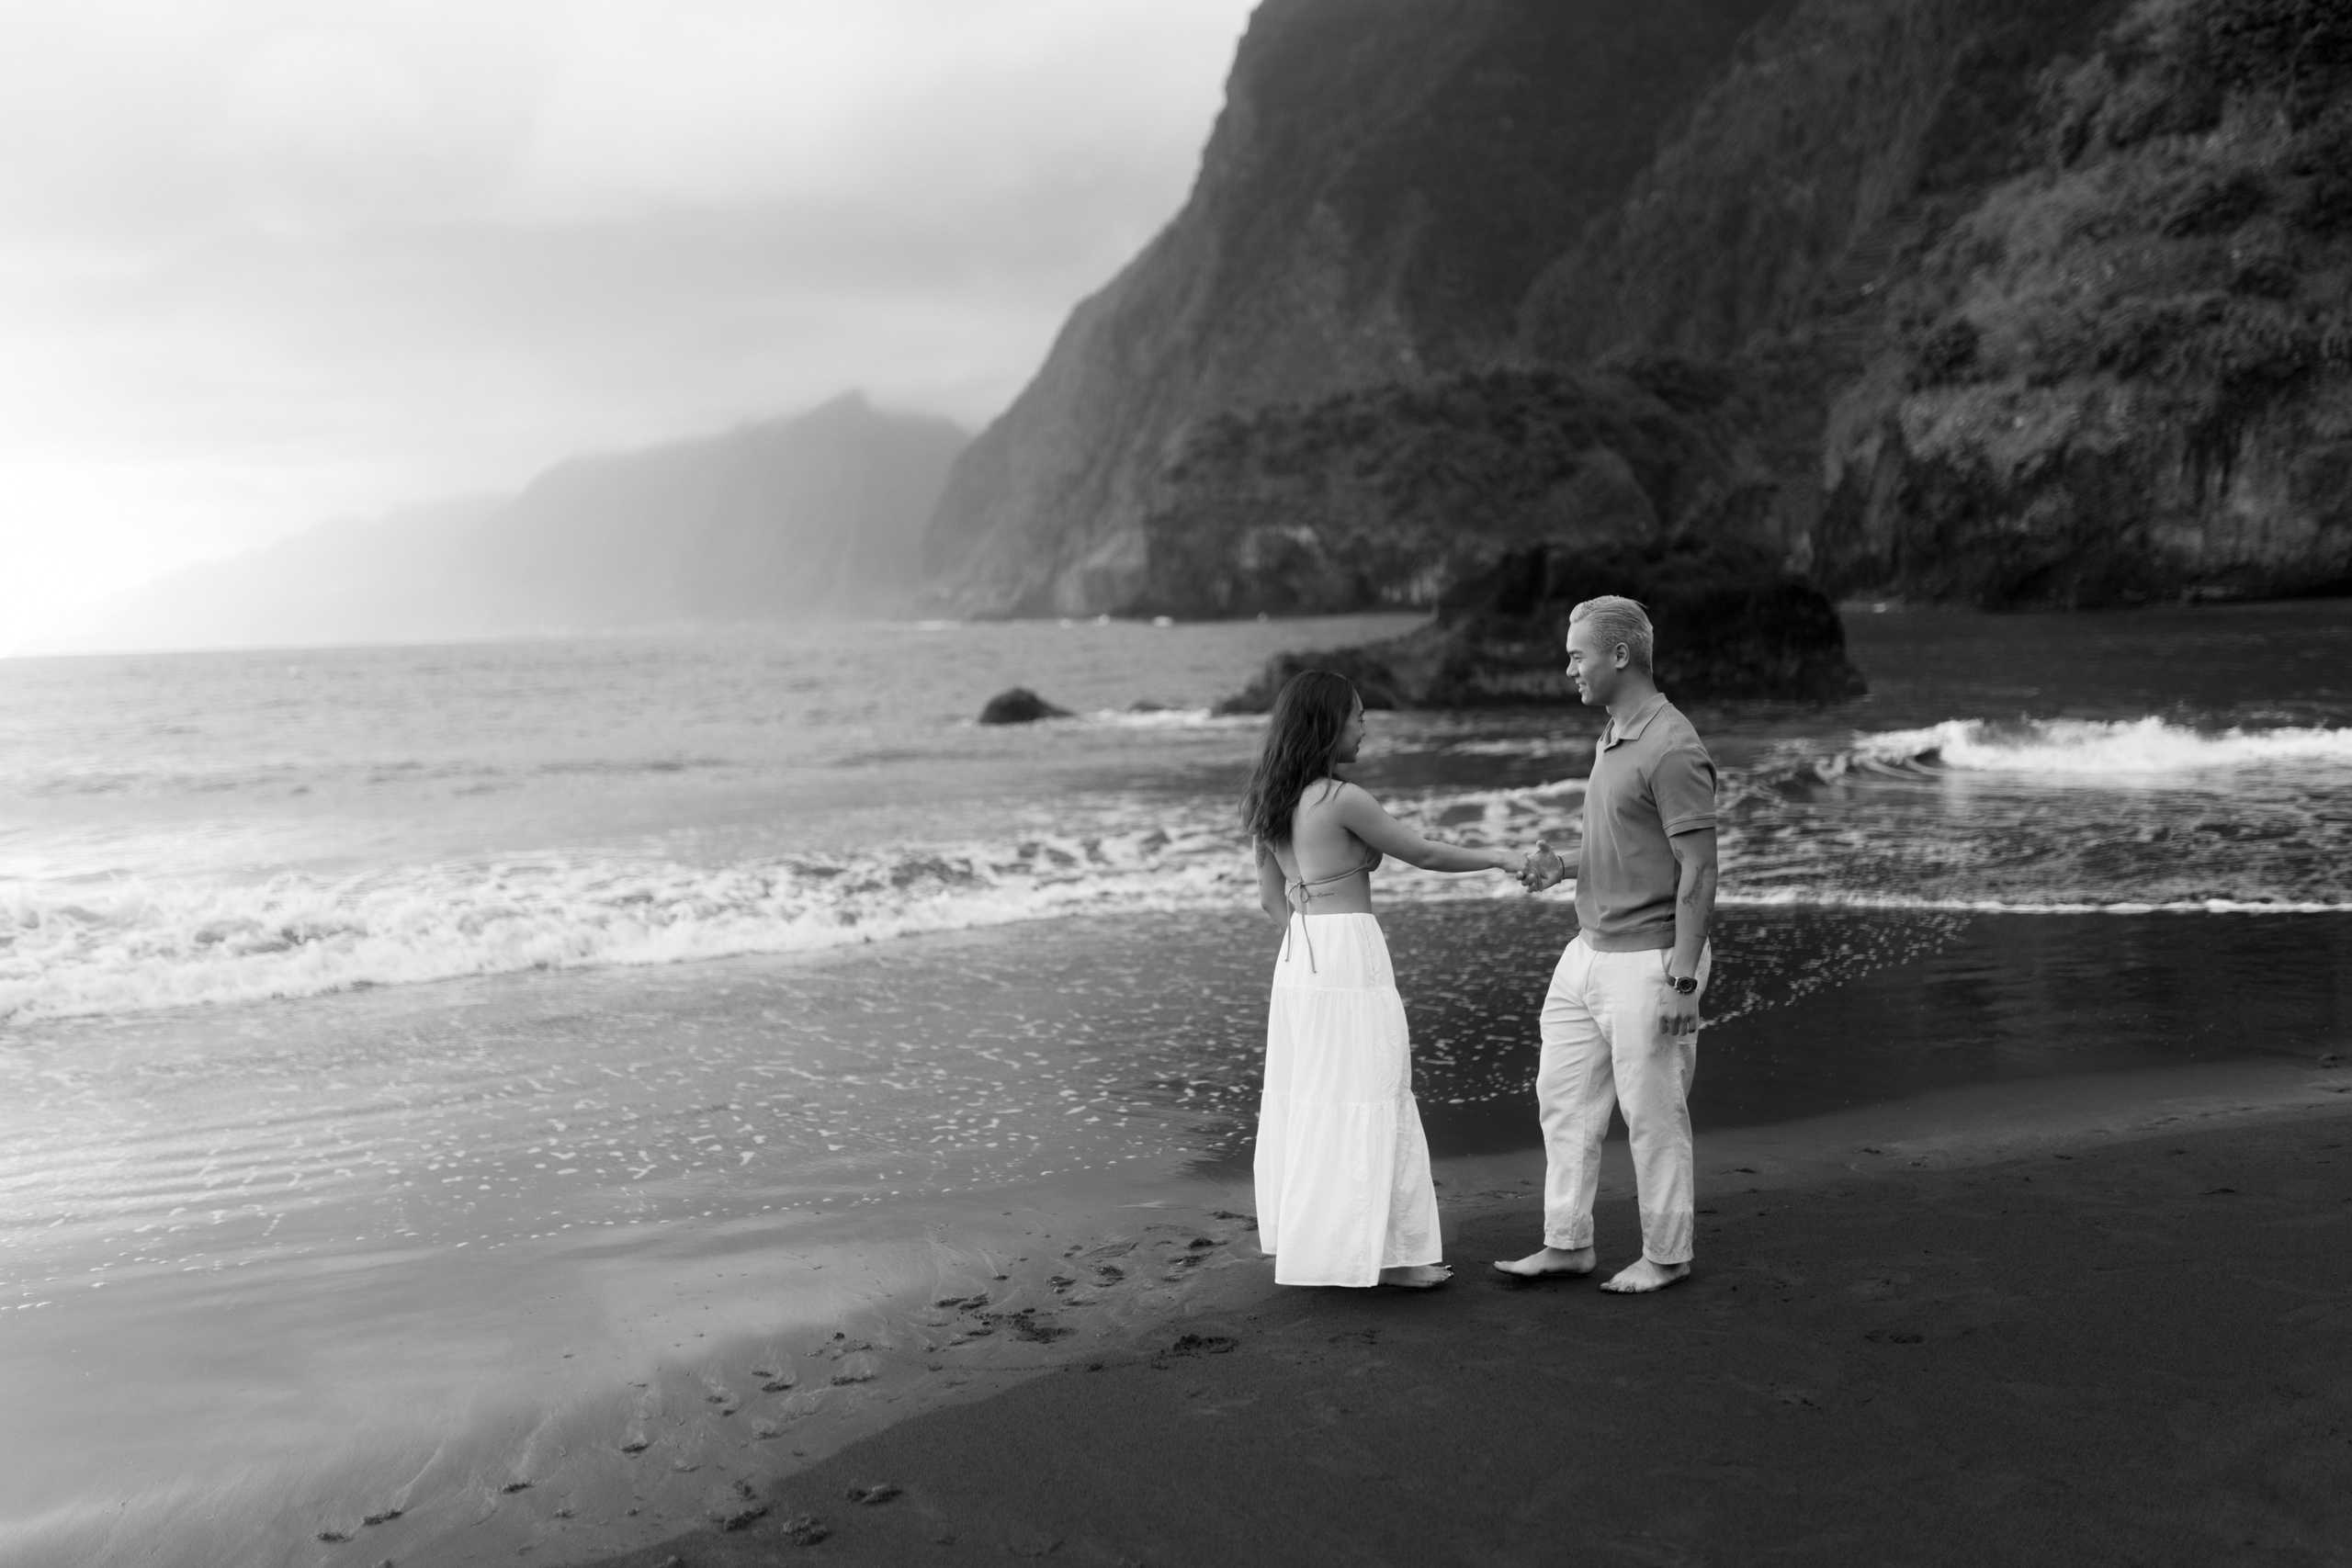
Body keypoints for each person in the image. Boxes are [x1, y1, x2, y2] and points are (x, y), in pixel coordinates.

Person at [1243, 670, 1528, 1290]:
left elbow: (1271, 901)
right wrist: (1502, 856)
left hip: (1299, 958)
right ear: (1325, 724)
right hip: (1346, 953)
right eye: (1357, 716)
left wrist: (1309, 935)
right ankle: (1390, 1257)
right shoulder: (1340, 798)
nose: (1365, 727)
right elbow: (1421, 850)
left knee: (1316, 1095)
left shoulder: (1270, 798)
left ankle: (1320, 1245)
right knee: (1372, 1089)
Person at [1497, 595, 1719, 1294]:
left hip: (1650, 959)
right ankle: (1566, 1242)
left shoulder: (1673, 744)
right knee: (1562, 1099)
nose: (1569, 668)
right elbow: (1620, 842)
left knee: (1652, 1114)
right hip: (1588, 950)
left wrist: (1683, 981)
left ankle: (1668, 1253)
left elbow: (1700, 869)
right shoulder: (1615, 731)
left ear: (1620, 655)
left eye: (1577, 654)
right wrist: (1564, 862)